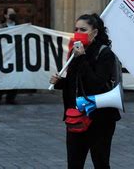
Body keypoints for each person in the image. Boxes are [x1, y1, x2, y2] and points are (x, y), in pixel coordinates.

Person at [50, 13, 121, 169]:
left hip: (100, 119)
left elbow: (96, 84)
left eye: (83, 29)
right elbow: (76, 83)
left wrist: (82, 58)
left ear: (94, 32)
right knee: (74, 163)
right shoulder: (75, 52)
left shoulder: (104, 53)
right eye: (76, 29)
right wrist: (60, 82)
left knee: (100, 162)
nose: (78, 33)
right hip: (76, 116)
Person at [0, 7, 19, 105]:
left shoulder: (20, 27)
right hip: (2, 56)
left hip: (15, 56)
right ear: (5, 15)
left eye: (14, 13)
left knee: (14, 77)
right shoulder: (0, 27)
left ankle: (11, 98)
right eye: (11, 13)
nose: (13, 15)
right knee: (0, 77)